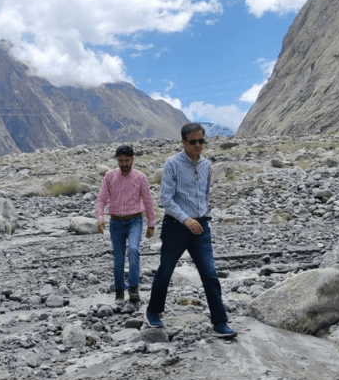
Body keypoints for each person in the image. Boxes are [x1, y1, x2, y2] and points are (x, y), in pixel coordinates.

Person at [145, 123, 237, 339]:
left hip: (201, 227)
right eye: (193, 142)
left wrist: (202, 216)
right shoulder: (172, 164)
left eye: (201, 141)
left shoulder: (206, 165)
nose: (198, 146)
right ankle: (153, 311)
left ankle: (220, 322)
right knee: (165, 271)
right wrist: (185, 219)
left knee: (210, 274)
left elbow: (204, 193)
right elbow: (166, 199)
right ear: (184, 143)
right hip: (176, 227)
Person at [95, 145, 155, 312]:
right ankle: (119, 292)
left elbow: (148, 201)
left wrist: (151, 224)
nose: (124, 164)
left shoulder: (141, 178)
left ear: (132, 159)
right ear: (117, 161)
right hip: (115, 223)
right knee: (118, 258)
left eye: (127, 160)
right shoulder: (109, 177)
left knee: (134, 250)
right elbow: (101, 200)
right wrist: (100, 219)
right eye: (121, 161)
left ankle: (134, 290)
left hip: (135, 221)